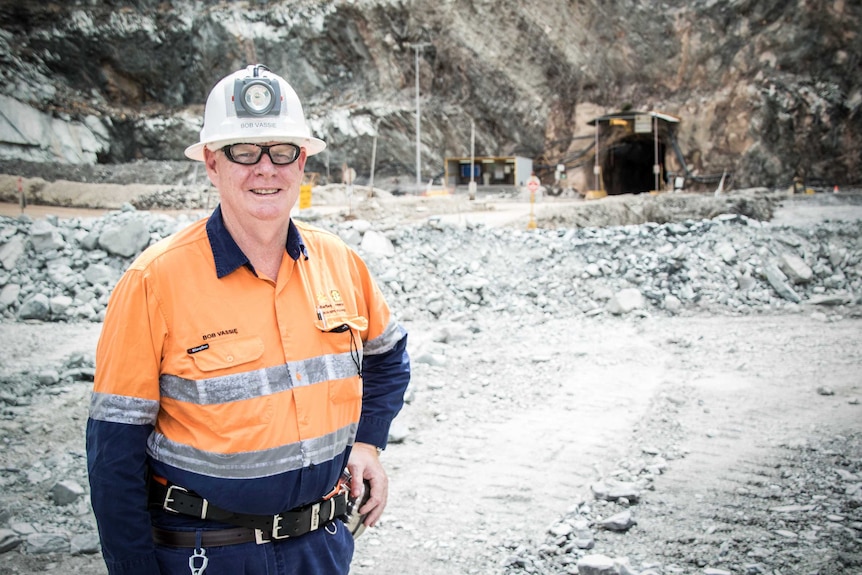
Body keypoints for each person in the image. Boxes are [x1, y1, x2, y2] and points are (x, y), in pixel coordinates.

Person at [86, 64, 411, 575]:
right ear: (212, 164)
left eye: (282, 151)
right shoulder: (153, 280)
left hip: (320, 549)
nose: (266, 169)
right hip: (207, 555)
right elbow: (114, 454)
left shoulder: (339, 262)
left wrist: (368, 442)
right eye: (244, 152)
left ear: (302, 162)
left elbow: (389, 358)